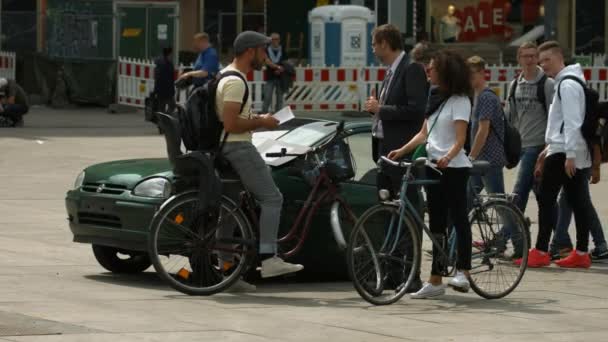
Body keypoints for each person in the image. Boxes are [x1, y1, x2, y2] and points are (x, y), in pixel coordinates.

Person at [216, 31, 303, 291]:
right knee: (272, 198)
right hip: (237, 147)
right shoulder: (236, 82)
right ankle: (269, 257)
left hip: (225, 147)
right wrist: (261, 121)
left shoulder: (225, 74)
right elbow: (231, 123)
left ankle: (227, 272)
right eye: (262, 51)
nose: (265, 57)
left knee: (229, 210)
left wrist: (257, 118)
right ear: (250, 51)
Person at [388, 50, 473, 299]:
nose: (428, 71)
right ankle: (435, 280)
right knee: (436, 222)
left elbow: (460, 138)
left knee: (458, 217)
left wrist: (449, 155)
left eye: (432, 68)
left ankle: (463, 271)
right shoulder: (434, 97)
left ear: (445, 72)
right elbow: (424, 133)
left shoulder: (460, 101)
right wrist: (402, 150)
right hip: (433, 165)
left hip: (454, 167)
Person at [516, 40, 598, 268]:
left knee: (546, 198)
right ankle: (581, 253)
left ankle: (542, 251)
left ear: (559, 57)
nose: (543, 65)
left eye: (547, 60)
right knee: (577, 201)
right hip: (566, 149)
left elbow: (572, 122)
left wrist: (569, 154)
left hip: (564, 151)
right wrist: (550, 150)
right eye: (541, 61)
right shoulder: (570, 81)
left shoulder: (566, 85)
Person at [365, 24, 429, 292]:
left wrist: (382, 109)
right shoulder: (389, 73)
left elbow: (416, 111)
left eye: (374, 43)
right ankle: (391, 273)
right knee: (389, 213)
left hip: (403, 153)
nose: (372, 48)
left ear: (384, 43)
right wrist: (377, 112)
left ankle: (410, 275)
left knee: (408, 214)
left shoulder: (411, 69)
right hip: (385, 152)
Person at [502, 42, 554, 253]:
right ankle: (562, 240)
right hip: (521, 146)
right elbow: (509, 117)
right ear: (519, 59)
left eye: (533, 56)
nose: (530, 60)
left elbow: (554, 115)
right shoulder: (515, 84)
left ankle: (505, 239)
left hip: (537, 147)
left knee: (517, 194)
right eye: (525, 56)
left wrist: (549, 147)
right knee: (545, 198)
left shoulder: (547, 84)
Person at [467, 56, 506, 197]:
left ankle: (514, 219)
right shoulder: (476, 95)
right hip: (480, 159)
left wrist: (471, 157)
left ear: (483, 73)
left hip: (489, 160)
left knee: (499, 202)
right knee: (467, 201)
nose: (469, 77)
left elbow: (483, 130)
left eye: (472, 73)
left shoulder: (486, 97)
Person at [262, 32, 288, 113]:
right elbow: (267, 61)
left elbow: (286, 62)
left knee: (280, 99)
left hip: (281, 78)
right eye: (273, 39)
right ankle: (264, 114)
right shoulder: (266, 50)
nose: (275, 41)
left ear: (279, 40)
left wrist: (280, 69)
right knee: (267, 97)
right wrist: (277, 67)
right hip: (270, 77)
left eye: (276, 39)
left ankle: (278, 116)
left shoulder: (282, 49)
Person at [153, 47, 176, 114]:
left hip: (160, 89)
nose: (172, 56)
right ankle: (165, 119)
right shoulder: (168, 64)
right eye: (172, 54)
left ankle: (162, 121)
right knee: (171, 105)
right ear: (169, 54)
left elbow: (157, 77)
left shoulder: (160, 63)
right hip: (166, 90)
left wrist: (156, 89)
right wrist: (172, 91)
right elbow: (169, 79)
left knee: (161, 107)